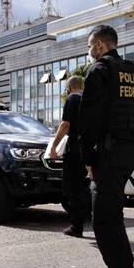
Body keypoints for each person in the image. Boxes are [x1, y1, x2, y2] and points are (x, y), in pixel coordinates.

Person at [78, 25, 134, 268]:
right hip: (129, 152)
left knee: (104, 219)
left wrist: (88, 159)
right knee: (112, 213)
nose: (89, 52)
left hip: (108, 153)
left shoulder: (99, 71)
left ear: (100, 45)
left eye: (90, 46)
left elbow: (88, 121)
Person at [50, 76, 90, 238]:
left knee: (71, 187)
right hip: (90, 149)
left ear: (69, 88)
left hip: (75, 150)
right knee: (85, 186)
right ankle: (88, 218)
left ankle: (76, 225)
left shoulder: (72, 99)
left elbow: (65, 124)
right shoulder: (90, 100)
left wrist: (53, 146)